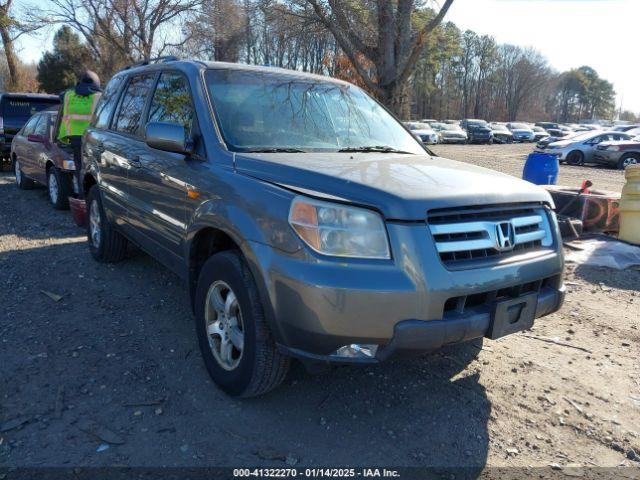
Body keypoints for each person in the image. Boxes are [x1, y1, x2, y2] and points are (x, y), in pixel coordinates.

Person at [56, 70, 102, 198]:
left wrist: (76, 87)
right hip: (92, 138)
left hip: (74, 137)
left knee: (80, 169)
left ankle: (83, 197)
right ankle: (88, 198)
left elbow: (61, 95)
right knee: (92, 169)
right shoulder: (99, 96)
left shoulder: (68, 95)